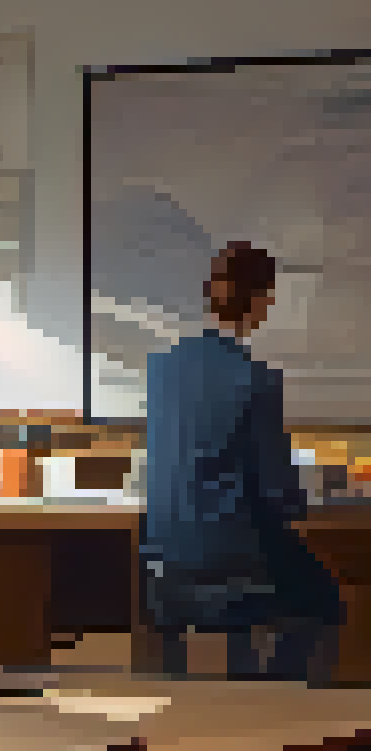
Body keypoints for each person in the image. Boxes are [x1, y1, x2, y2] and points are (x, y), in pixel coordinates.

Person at [140, 241, 339, 681]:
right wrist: (305, 502)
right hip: (230, 561)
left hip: (162, 559)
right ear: (264, 301)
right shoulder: (256, 380)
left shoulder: (161, 369)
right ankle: (275, 701)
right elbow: (277, 492)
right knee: (328, 601)